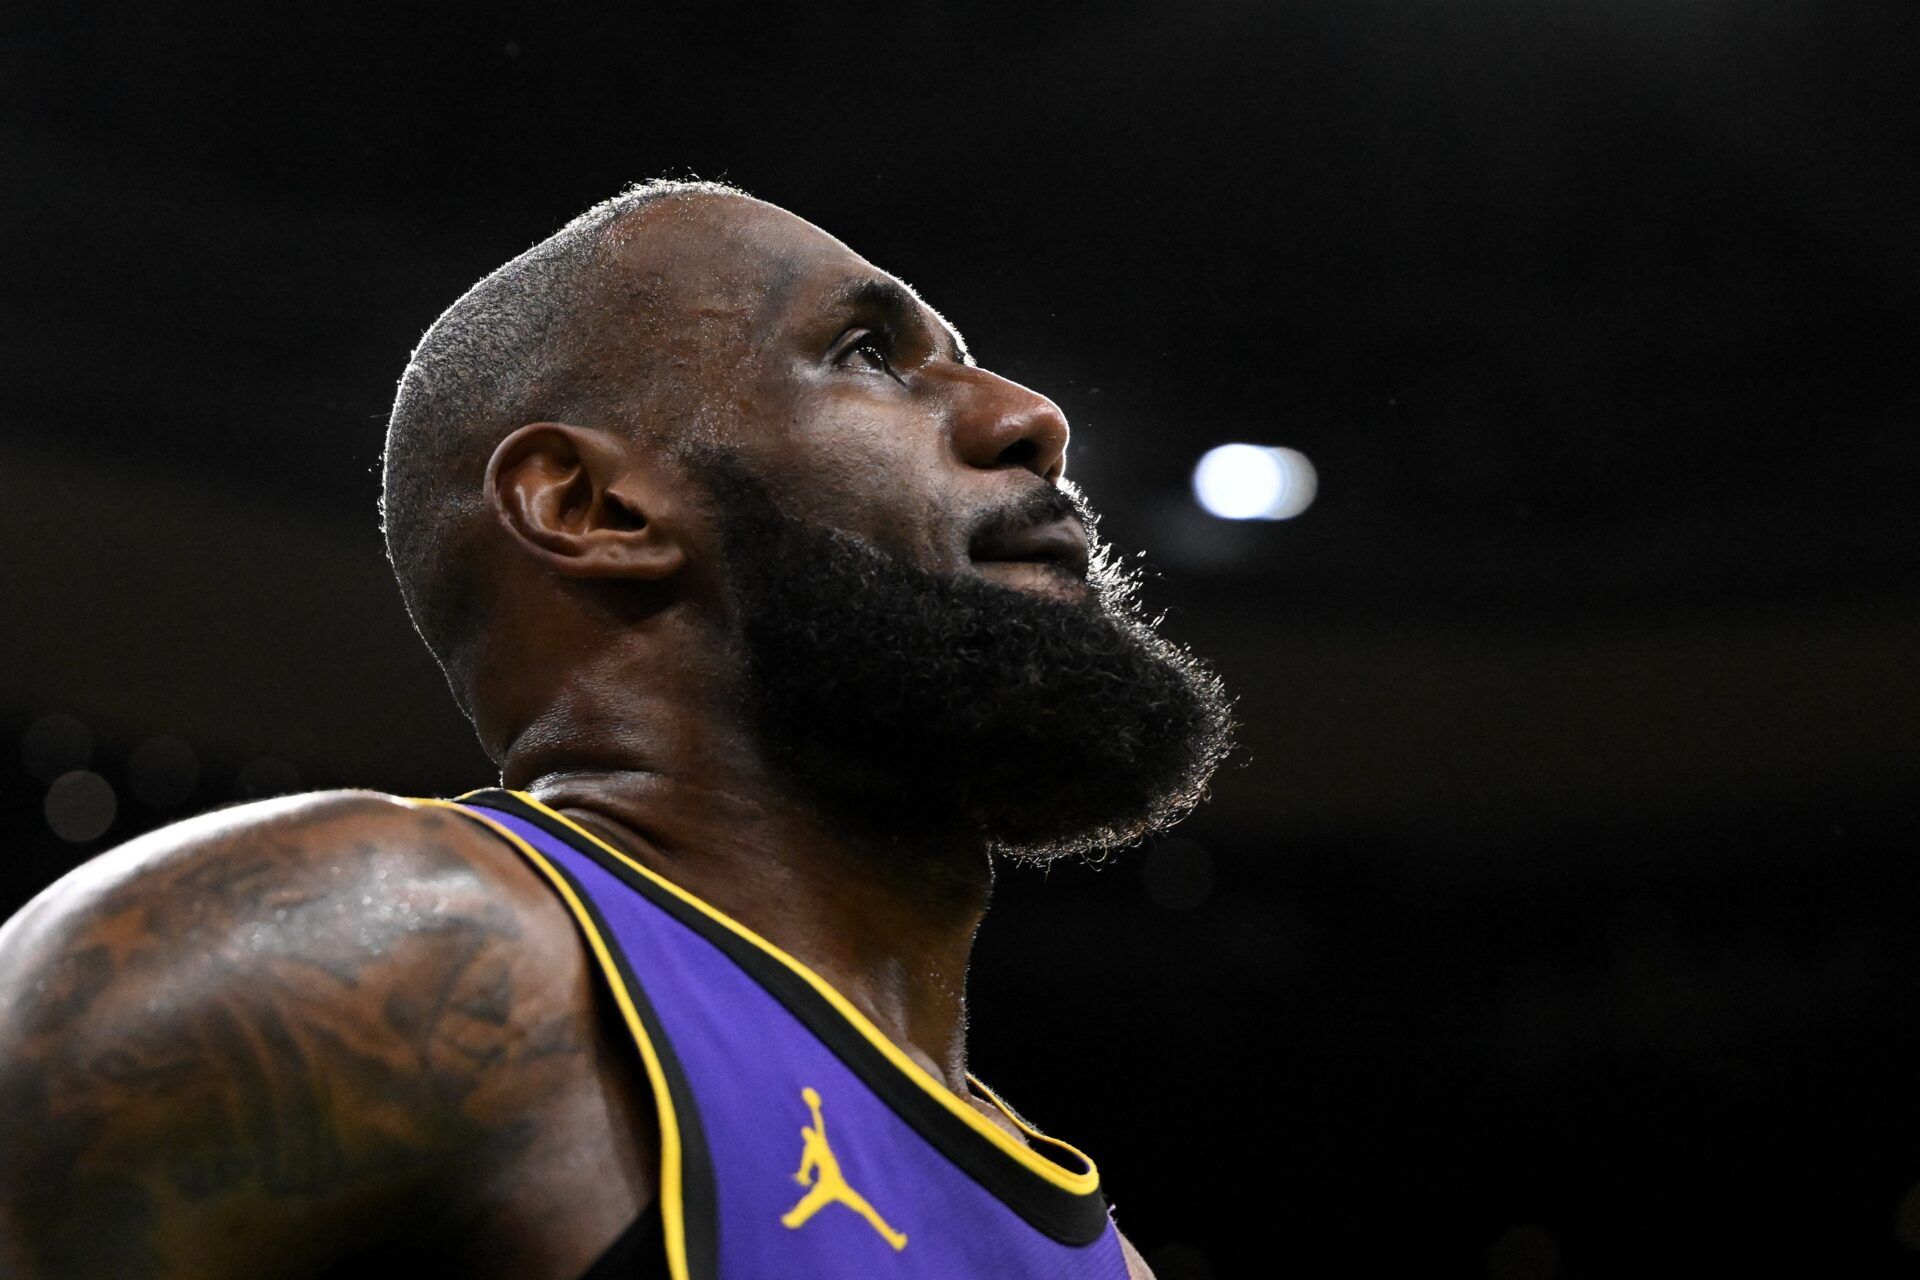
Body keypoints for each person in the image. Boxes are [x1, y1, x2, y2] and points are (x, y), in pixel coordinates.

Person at [0, 181, 1233, 1279]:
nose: (1027, 414)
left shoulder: (1098, 1250)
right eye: (867, 353)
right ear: (590, 505)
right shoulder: (383, 944)